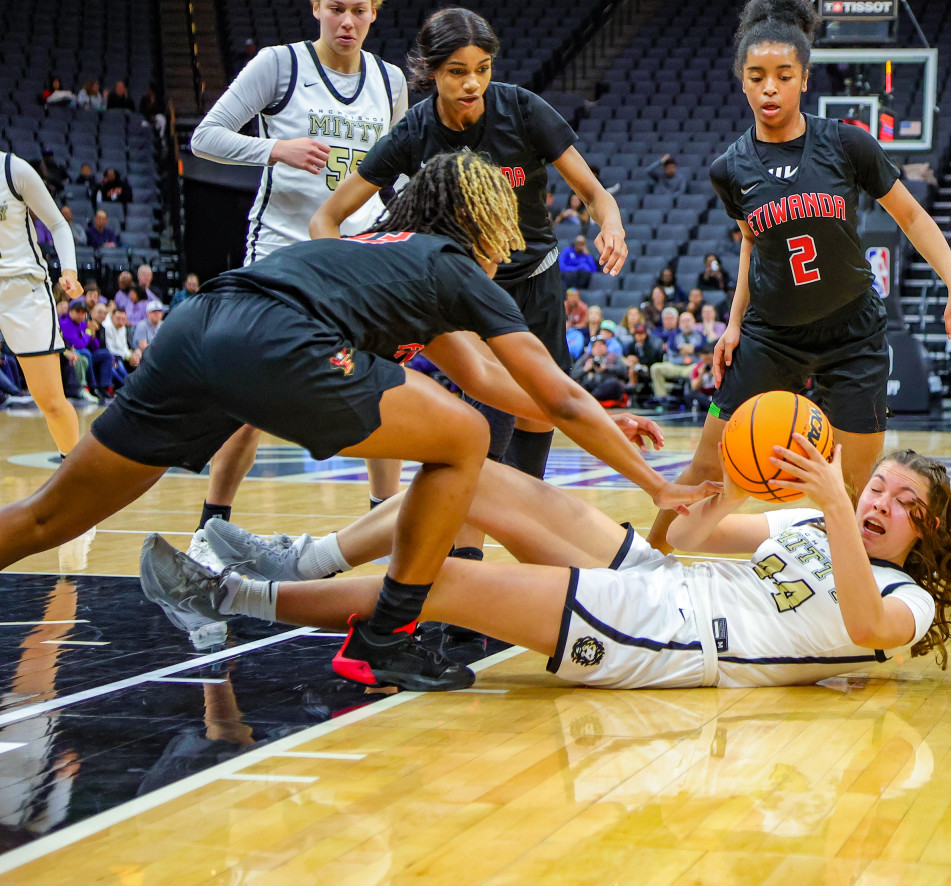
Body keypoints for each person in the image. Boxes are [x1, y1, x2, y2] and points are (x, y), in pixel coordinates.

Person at [0, 153, 709, 690]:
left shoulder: (390, 261)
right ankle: (385, 637)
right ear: (478, 219)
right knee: (463, 436)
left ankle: (373, 623)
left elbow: (496, 382)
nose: (509, 241)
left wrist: (612, 427)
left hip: (198, 328)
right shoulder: (451, 262)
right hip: (275, 337)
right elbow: (553, 400)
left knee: (47, 517)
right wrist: (653, 482)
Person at [143, 444, 951, 689]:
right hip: (670, 582)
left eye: (904, 507)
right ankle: (307, 555)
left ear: (925, 540)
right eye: (881, 488)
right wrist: (713, 492)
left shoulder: (902, 596)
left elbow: (866, 629)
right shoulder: (816, 526)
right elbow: (696, 543)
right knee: (478, 480)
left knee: (444, 583)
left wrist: (832, 514)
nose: (881, 503)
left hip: (678, 638)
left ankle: (233, 599)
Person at [648, 0, 951, 551]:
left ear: (804, 78)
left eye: (783, 76)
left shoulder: (847, 143)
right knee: (708, 462)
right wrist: (733, 324)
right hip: (768, 336)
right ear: (743, 83)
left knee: (854, 487)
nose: (770, 88)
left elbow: (912, 215)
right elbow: (754, 245)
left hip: (853, 334)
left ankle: (849, 598)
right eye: (757, 77)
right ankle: (647, 563)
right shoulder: (728, 169)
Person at [308, 7, 629, 569]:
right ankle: (465, 564)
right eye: (457, 71)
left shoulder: (522, 109)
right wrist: (343, 277)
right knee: (483, 425)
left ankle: (523, 551)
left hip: (535, 283)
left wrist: (612, 224)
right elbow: (326, 217)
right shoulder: (414, 130)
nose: (472, 83)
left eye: (482, 68)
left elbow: (596, 193)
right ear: (430, 72)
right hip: (467, 291)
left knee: (537, 416)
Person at [188, 0, 410, 531]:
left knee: (383, 385)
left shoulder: (391, 80)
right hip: (283, 250)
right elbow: (204, 138)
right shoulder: (279, 65)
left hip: (362, 254)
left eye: (359, 10)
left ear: (375, 12)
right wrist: (275, 149)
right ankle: (210, 527)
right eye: (336, 8)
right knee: (249, 396)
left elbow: (395, 168)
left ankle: (384, 525)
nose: (347, 22)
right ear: (316, 7)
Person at [0, 151, 85, 457]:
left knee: (50, 400)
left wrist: (69, 272)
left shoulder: (12, 169)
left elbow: (58, 224)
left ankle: (75, 477)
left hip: (23, 291)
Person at [59, 297, 114, 401]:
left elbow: (95, 347)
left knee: (106, 354)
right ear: (70, 311)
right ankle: (92, 387)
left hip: (85, 353)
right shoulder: (65, 323)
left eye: (83, 312)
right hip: (68, 353)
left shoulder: (83, 323)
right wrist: (88, 332)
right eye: (78, 312)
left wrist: (92, 335)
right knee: (86, 354)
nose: (80, 315)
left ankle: (104, 387)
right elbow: (78, 344)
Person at [570, 336, 626, 402]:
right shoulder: (586, 357)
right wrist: (585, 369)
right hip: (590, 385)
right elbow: (572, 375)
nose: (598, 348)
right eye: (595, 346)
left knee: (614, 383)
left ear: (606, 347)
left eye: (601, 345)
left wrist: (606, 368)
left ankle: (590, 399)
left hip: (607, 386)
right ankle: (589, 398)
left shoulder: (613, 356)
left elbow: (624, 372)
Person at [623, 322, 663, 403]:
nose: (639, 336)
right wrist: (629, 359)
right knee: (631, 369)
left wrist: (638, 360)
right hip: (634, 366)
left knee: (633, 370)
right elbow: (626, 355)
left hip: (648, 368)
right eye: (637, 334)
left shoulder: (651, 345)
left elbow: (652, 360)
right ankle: (631, 395)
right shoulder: (632, 345)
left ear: (645, 334)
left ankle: (633, 397)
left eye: (641, 333)